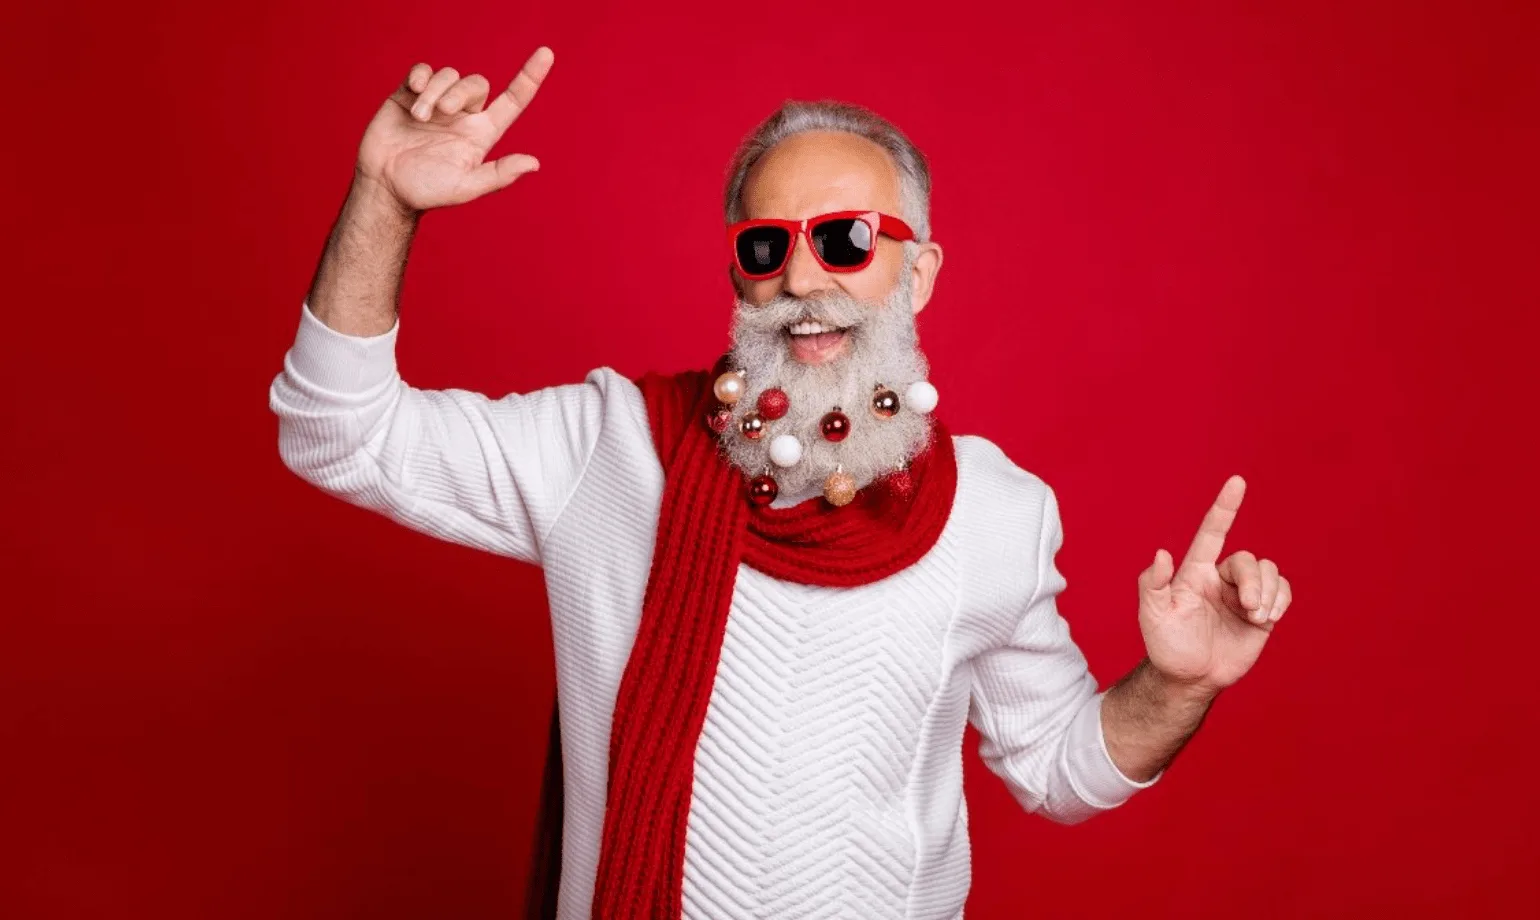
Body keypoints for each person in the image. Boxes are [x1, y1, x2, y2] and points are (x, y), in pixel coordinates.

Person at [268, 46, 1295, 920]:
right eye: (767, 245)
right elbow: (338, 430)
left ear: (919, 271)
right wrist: (386, 199)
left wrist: (1177, 681)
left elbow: (1060, 767)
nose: (802, 280)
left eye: (845, 239)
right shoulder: (609, 444)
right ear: (738, 273)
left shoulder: (996, 512)